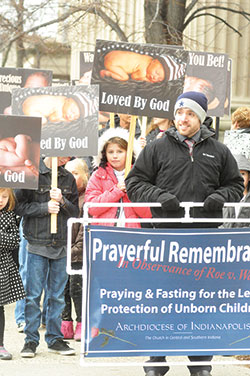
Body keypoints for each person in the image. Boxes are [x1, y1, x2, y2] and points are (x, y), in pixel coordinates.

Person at [125, 91, 244, 376]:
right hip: (164, 237)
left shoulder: (219, 150)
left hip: (204, 239)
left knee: (200, 301)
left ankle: (200, 360)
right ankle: (156, 359)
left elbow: (236, 185)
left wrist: (220, 197)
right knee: (162, 299)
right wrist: (159, 196)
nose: (182, 119)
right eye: (179, 113)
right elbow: (134, 183)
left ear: (201, 118)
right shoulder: (156, 147)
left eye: (189, 113)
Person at [14, 156, 79, 358]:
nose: (65, 157)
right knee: (33, 296)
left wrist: (63, 201)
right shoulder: (30, 173)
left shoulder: (68, 178)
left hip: (60, 244)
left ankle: (55, 339)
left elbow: (75, 211)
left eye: (68, 155)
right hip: (36, 243)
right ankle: (30, 341)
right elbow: (18, 207)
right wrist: (44, 208)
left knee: (57, 297)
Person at [84, 127, 151, 227]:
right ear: (104, 154)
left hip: (132, 235)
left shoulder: (140, 176)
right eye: (110, 152)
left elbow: (148, 213)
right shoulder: (98, 175)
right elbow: (92, 208)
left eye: (120, 151)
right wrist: (116, 191)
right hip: (104, 235)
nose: (115, 156)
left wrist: (131, 192)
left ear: (129, 153)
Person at [61, 158, 89, 341]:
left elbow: (82, 235)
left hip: (78, 255)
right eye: (68, 173)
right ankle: (65, 324)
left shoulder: (87, 200)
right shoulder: (62, 198)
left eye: (76, 173)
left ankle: (81, 322)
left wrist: (70, 251)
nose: (71, 177)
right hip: (62, 252)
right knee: (62, 289)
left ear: (85, 176)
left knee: (77, 289)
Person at [0, 188, 25, 360]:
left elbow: (15, 240)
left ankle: (0, 345)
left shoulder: (8, 215)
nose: (1, 200)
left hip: (2, 266)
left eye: (4, 196)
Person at [100, 50, 185, 83]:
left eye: (159, 79)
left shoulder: (147, 59)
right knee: (124, 77)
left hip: (112, 54)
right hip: (112, 64)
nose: (154, 77)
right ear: (155, 61)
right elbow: (134, 76)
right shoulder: (144, 69)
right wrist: (146, 79)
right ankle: (107, 73)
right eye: (156, 72)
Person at [21, 92, 98, 125]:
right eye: (72, 111)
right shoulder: (59, 109)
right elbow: (52, 118)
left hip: (28, 100)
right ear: (68, 100)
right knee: (43, 121)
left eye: (75, 117)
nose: (71, 116)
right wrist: (63, 119)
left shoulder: (61, 99)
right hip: (31, 109)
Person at [221, 154, 250, 228]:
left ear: (249, 177)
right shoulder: (222, 196)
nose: (239, 177)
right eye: (236, 173)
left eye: (243, 174)